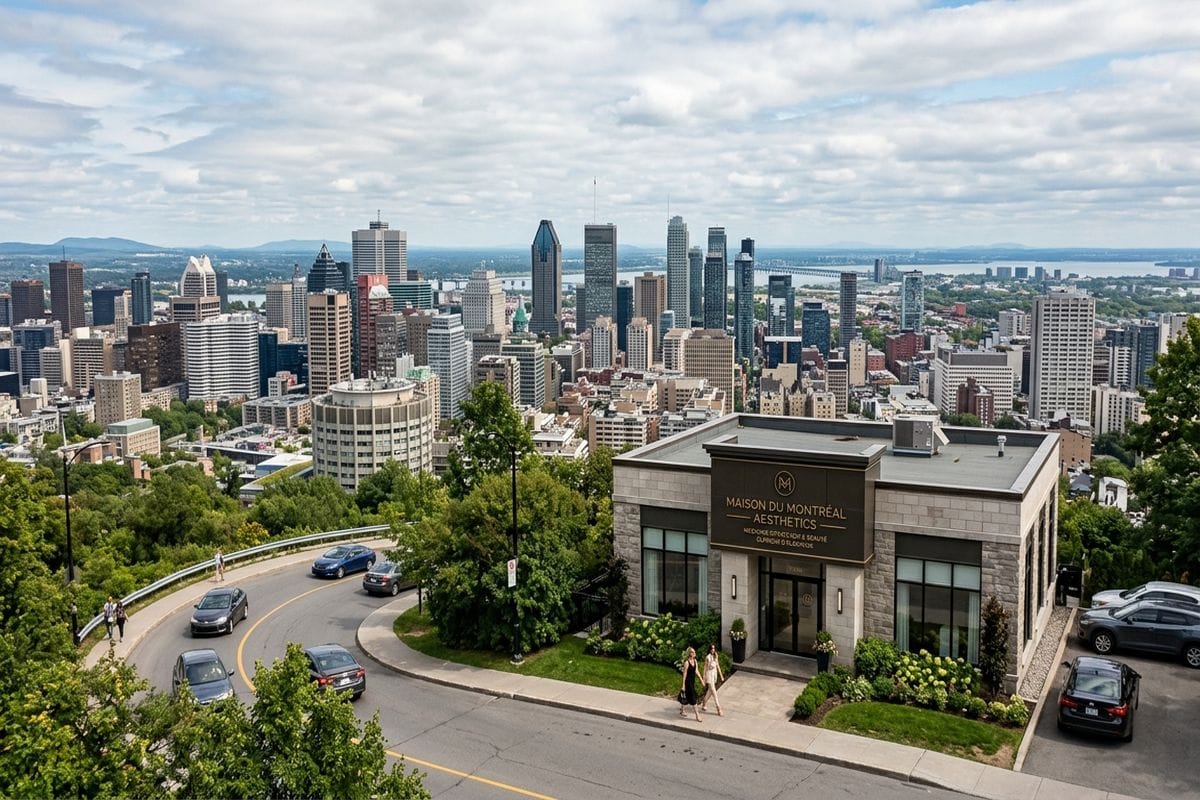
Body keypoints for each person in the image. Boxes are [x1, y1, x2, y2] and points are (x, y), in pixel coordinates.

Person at [700, 643, 724, 716]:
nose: (713, 650)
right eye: (711, 648)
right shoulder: (708, 657)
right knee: (714, 692)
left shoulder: (715, 656)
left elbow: (718, 666)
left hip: (714, 674)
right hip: (709, 675)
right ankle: (718, 708)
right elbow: (705, 668)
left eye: (714, 648)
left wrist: (721, 675)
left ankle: (704, 703)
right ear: (709, 649)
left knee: (710, 691)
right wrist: (703, 678)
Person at [679, 646, 702, 722]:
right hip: (688, 682)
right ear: (689, 654)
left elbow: (696, 671)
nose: (694, 653)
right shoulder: (687, 663)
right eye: (693, 652)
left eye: (694, 652)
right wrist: (683, 685)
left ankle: (682, 710)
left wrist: (701, 679)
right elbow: (684, 674)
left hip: (692, 682)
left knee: (686, 696)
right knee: (693, 698)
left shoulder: (695, 661)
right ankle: (697, 715)